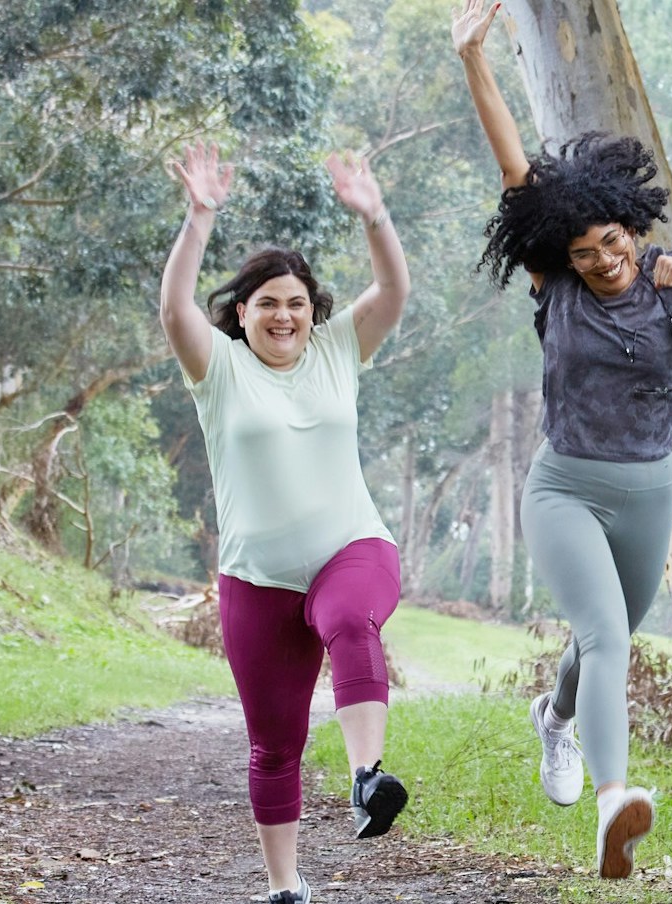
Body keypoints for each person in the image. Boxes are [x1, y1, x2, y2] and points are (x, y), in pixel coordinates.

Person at [452, 0, 672, 881]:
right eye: (583, 251)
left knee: (597, 644)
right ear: (561, 258)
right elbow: (514, 171)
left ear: (632, 232)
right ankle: (615, 802)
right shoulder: (556, 289)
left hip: (647, 494)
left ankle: (554, 721)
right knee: (606, 637)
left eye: (612, 243)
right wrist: (474, 61)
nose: (602, 260)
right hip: (564, 486)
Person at [157, 142, 412, 904]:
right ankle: (285, 886)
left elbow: (394, 289)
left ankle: (369, 779)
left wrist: (374, 215)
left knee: (350, 620)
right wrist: (200, 217)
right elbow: (174, 309)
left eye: (296, 301)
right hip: (254, 578)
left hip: (351, 549)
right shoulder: (218, 371)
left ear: (313, 312)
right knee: (275, 744)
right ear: (243, 313)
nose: (284, 314)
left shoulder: (339, 350)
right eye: (267, 301)